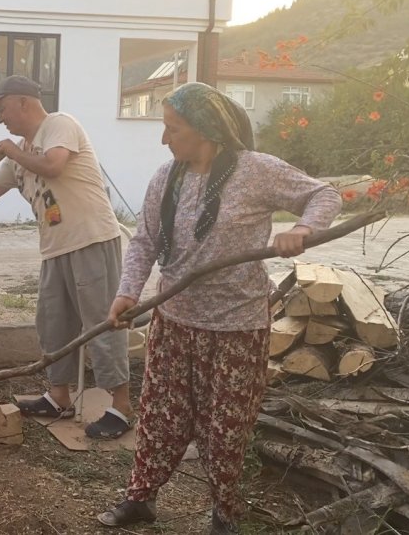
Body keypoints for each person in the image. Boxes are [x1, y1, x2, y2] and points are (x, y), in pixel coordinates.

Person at [98, 82, 342, 532]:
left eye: (173, 128)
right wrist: (128, 292)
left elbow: (324, 194)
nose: (164, 138)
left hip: (237, 327)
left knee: (225, 428)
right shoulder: (165, 177)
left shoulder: (256, 171)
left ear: (206, 129)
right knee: (158, 417)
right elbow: (146, 241)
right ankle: (140, 498)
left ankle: (225, 513)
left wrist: (304, 229)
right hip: (175, 321)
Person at [0, 75, 133, 439]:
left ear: (23, 102)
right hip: (55, 248)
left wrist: (12, 150)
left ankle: (122, 407)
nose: (0, 118)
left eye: (1, 109)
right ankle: (59, 396)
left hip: (92, 239)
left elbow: (54, 165)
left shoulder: (59, 125)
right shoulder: (19, 151)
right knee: (53, 325)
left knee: (101, 323)